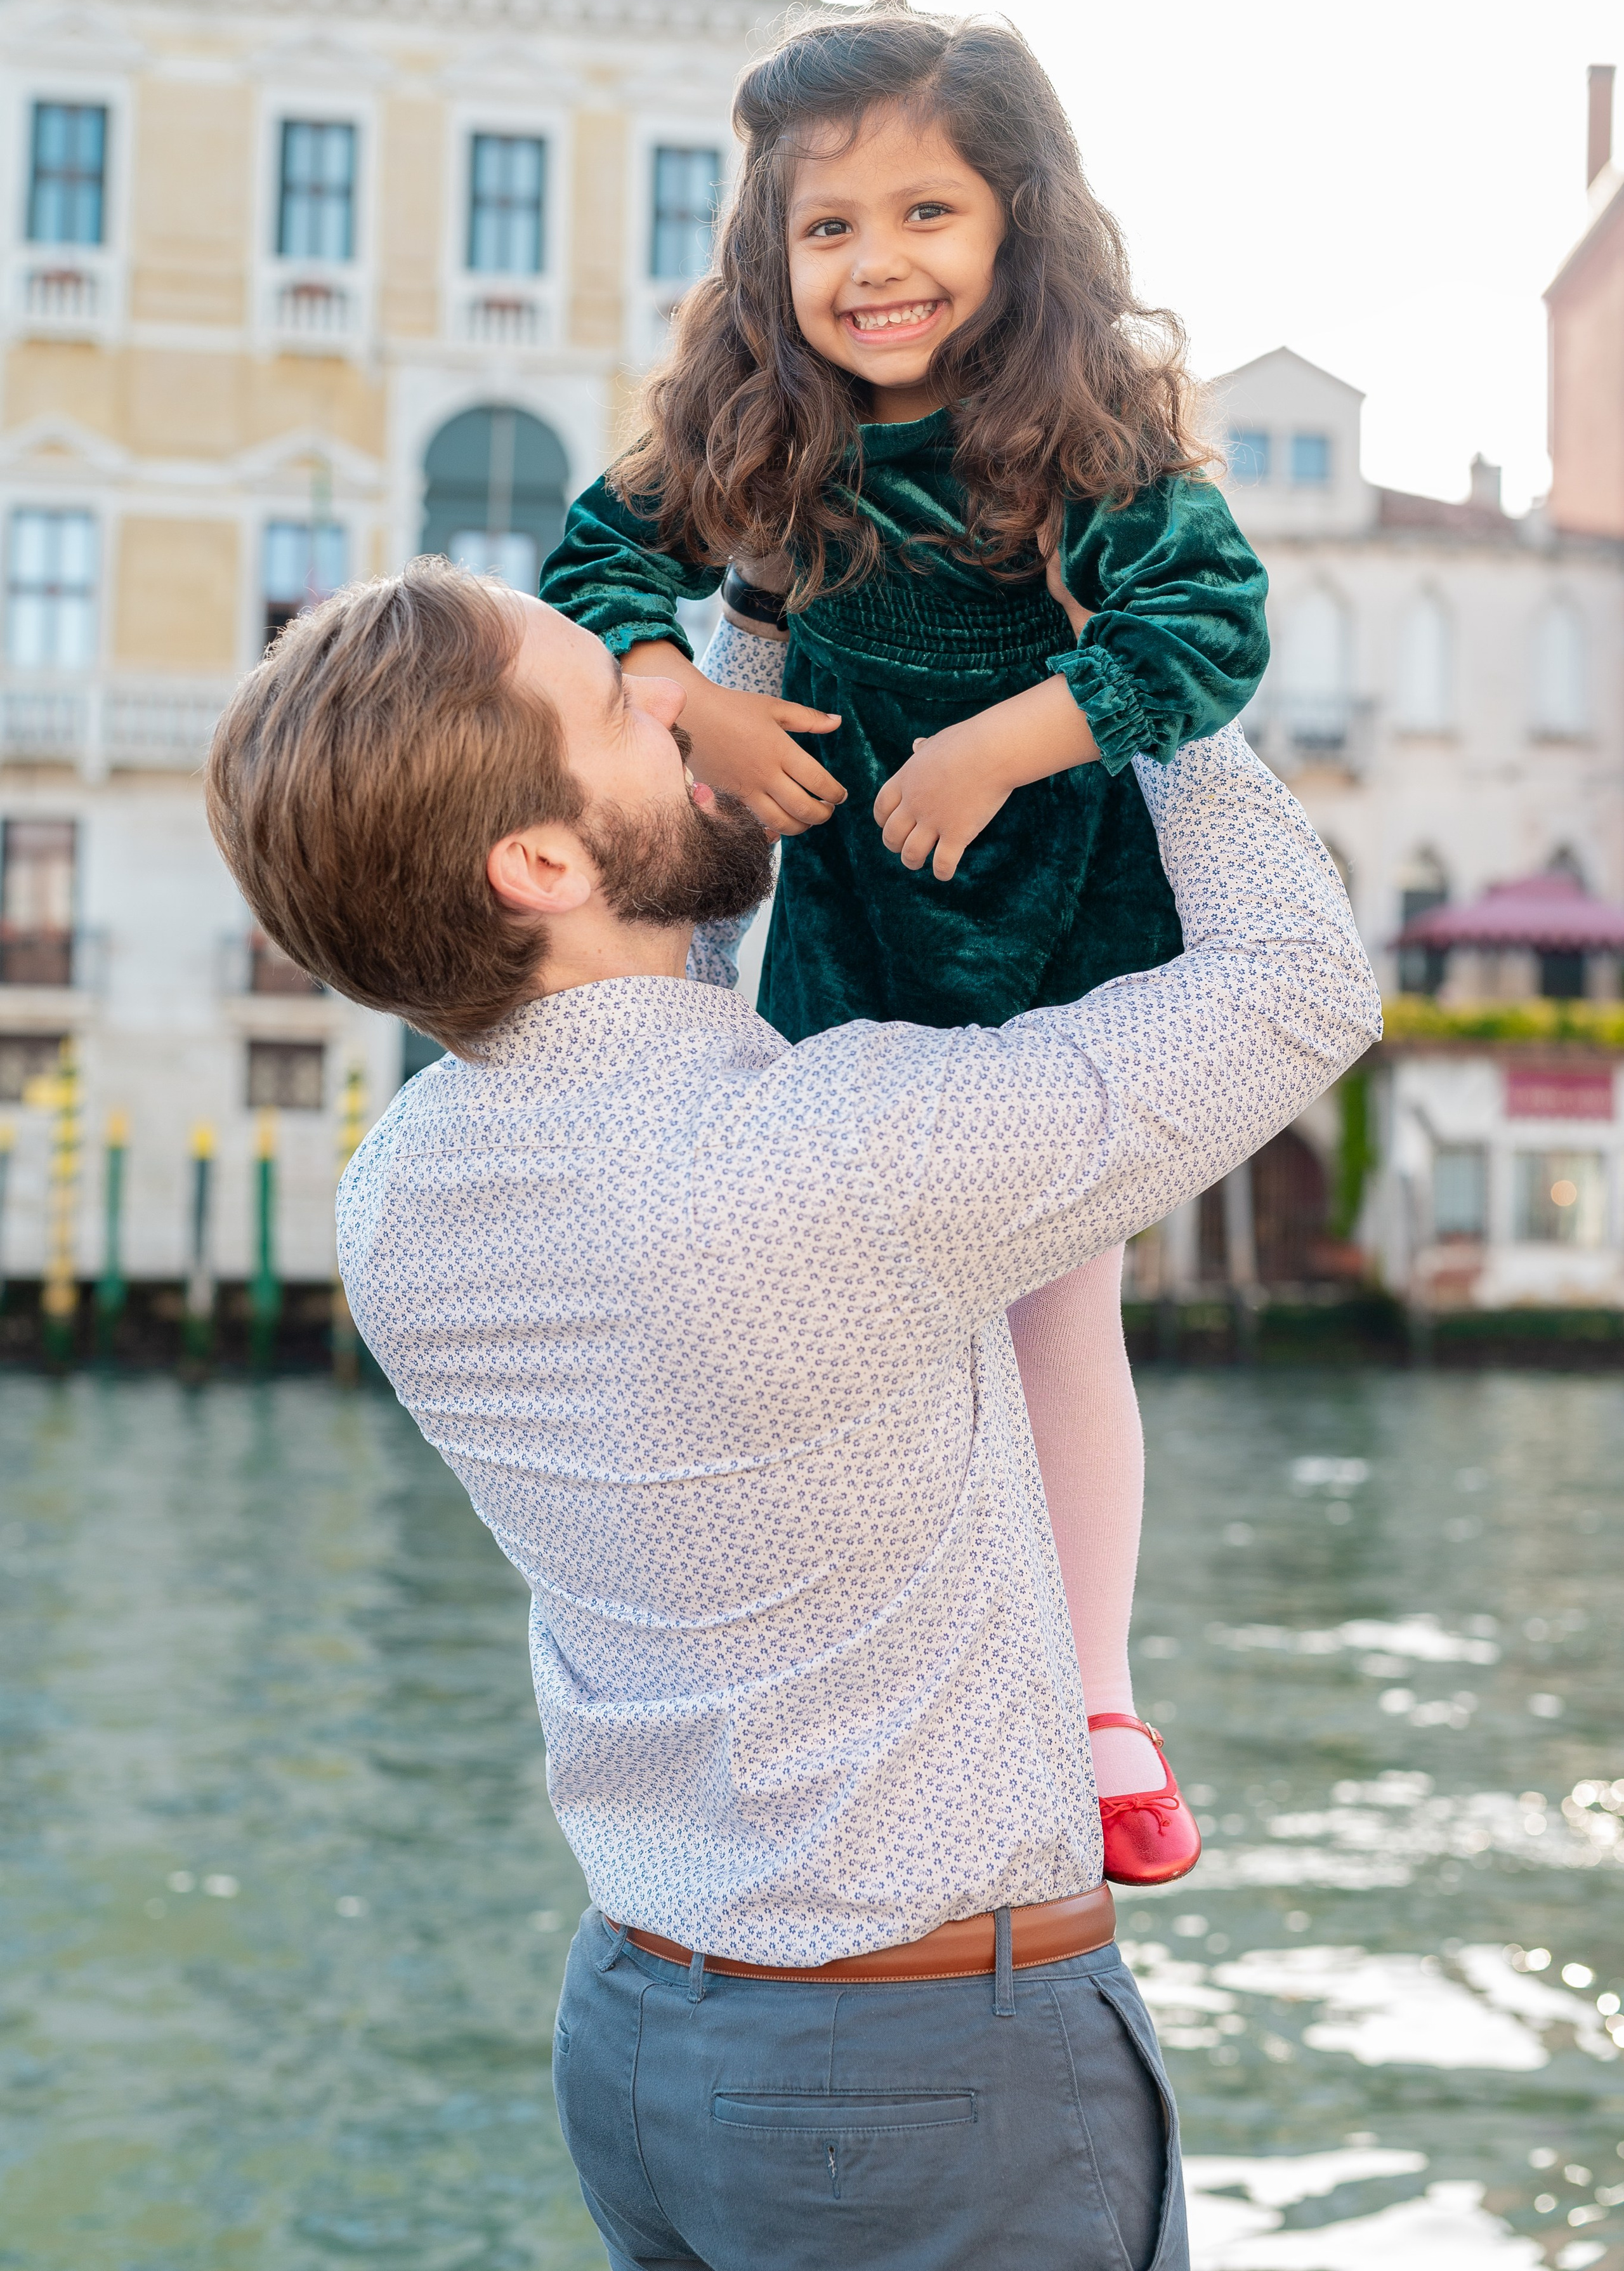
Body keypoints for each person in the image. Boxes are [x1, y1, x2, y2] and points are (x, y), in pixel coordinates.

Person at [204, 559, 1380, 2271]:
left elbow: (659, 990)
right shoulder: (831, 1159)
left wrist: (767, 600)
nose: (671, 694)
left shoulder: (400, 1197)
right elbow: (1297, 989)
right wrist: (1150, 678)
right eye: (621, 701)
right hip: (919, 2088)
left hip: (643, 2040)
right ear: (536, 863)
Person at [538, 8, 1273, 1872]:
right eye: (831, 228)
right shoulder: (759, 423)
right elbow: (597, 560)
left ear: (1016, 221)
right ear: (771, 256)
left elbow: (1210, 632)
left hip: (1065, 922)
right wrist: (683, 698)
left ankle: (1099, 1703)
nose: (879, 265)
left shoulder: (1084, 427)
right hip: (856, 920)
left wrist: (1010, 737)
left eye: (927, 213)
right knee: (862, 1311)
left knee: (1063, 1306)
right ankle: (893, 1658)